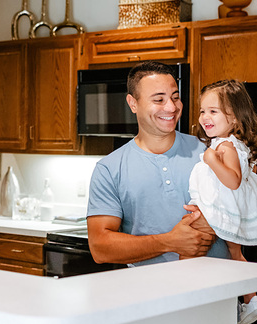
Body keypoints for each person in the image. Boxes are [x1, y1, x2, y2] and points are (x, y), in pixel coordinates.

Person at [87, 61, 229, 268]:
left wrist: (217, 223)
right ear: (132, 103)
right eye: (159, 99)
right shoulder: (109, 169)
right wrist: (169, 242)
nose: (171, 107)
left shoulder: (210, 151)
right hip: (151, 294)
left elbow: (247, 205)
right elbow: (100, 247)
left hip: (220, 290)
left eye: (175, 97)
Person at [190, 79, 257, 324]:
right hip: (234, 207)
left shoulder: (226, 146)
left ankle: (251, 299)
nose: (205, 117)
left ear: (234, 118)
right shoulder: (232, 144)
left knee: (233, 255)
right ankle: (249, 299)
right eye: (202, 111)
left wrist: (211, 160)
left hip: (230, 210)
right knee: (234, 254)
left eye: (213, 111)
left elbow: (233, 181)